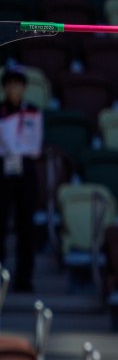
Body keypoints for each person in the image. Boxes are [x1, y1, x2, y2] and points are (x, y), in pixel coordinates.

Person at [0, 66, 42, 293]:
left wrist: (16, 148)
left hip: (25, 168)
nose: (14, 88)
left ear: (24, 87)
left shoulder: (33, 112)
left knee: (26, 225)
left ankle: (24, 278)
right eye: (10, 83)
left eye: (18, 83)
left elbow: (35, 146)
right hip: (3, 167)